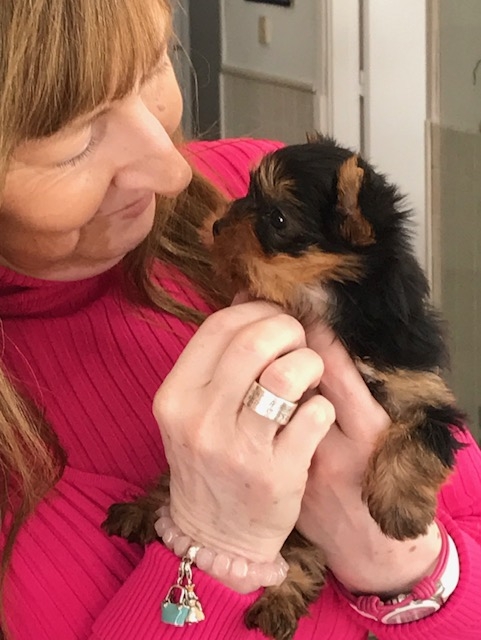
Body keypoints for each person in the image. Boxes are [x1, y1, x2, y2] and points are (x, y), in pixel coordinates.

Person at [0, 1, 480, 639]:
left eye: (154, 65)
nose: (174, 170)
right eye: (73, 138)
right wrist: (214, 542)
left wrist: (401, 567)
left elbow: (468, 513)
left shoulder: (244, 176)